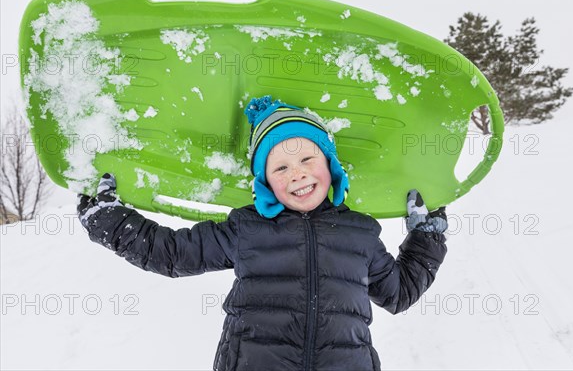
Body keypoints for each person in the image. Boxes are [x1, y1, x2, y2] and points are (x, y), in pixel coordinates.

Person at [77, 95, 448, 371]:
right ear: (266, 182)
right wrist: (110, 221)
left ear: (330, 166)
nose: (297, 173)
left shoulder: (360, 233)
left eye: (307, 160)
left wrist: (426, 237)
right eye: (281, 167)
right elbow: (173, 253)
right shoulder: (248, 228)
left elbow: (397, 293)